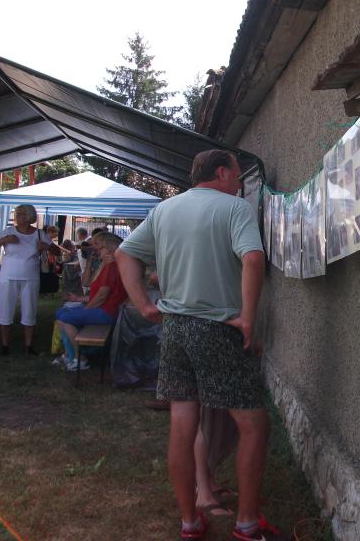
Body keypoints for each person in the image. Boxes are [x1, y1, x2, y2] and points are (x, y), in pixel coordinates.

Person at [115, 149, 281, 541]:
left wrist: (144, 305)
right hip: (218, 327)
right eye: (237, 176)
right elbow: (253, 259)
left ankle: (190, 521)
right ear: (221, 173)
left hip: (174, 329)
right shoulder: (235, 208)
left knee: (182, 423)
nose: (239, 184)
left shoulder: (165, 210)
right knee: (253, 424)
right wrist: (248, 318)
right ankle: (246, 523)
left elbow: (124, 254)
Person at [0, 204, 61, 355]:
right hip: (8, 276)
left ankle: (28, 346)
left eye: (20, 214)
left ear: (29, 216)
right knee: (5, 310)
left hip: (30, 277)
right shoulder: (9, 231)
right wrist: (4, 240)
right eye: (16, 214)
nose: (16, 217)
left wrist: (46, 247)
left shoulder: (39, 233)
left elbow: (57, 251)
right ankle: (5, 346)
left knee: (30, 310)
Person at [56, 233, 127, 370]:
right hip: (106, 310)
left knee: (65, 317)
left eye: (100, 248)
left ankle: (80, 359)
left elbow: (101, 297)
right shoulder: (108, 266)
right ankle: (71, 355)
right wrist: (79, 300)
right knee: (61, 315)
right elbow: (95, 291)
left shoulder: (111, 267)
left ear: (109, 251)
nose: (97, 250)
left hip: (107, 312)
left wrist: (85, 310)